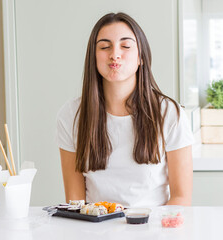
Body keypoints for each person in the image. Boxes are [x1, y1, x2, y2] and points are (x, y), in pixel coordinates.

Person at [56, 12, 194, 207]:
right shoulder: (71, 115)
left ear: (141, 57)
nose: (115, 54)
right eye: (105, 47)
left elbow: (181, 198)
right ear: (93, 58)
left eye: (126, 46)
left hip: (153, 231)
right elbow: (76, 202)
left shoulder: (169, 114)